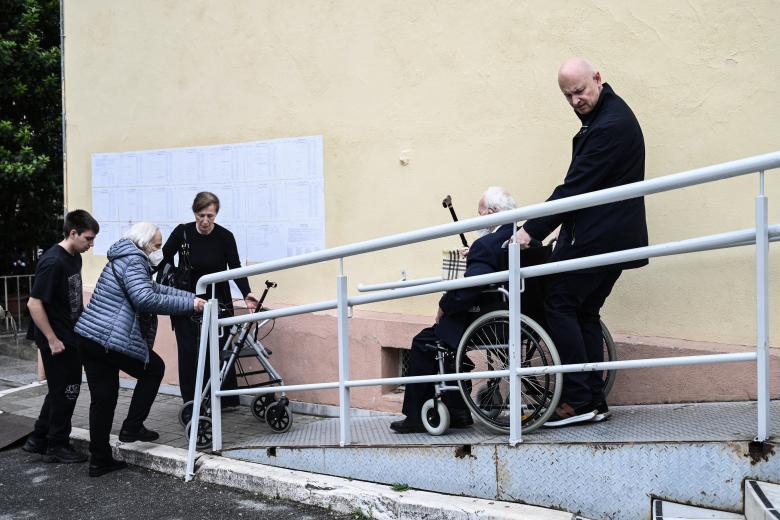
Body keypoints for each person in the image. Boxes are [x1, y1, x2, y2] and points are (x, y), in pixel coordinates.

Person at [515, 58, 649, 427]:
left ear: (599, 79)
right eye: (568, 96)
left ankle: (580, 399)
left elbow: (577, 187)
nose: (575, 100)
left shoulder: (609, 125)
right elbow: (591, 186)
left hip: (601, 238)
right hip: (609, 235)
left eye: (580, 91)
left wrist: (532, 230)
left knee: (559, 304)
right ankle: (591, 398)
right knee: (584, 311)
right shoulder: (607, 118)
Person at [391, 187, 535, 433]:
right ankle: (457, 409)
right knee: (446, 346)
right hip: (522, 318)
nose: (479, 220)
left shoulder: (486, 245)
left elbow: (469, 290)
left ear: (491, 213)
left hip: (489, 322)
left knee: (425, 342)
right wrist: (476, 257)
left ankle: (420, 416)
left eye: (480, 214)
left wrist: (444, 305)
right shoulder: (525, 238)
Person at [74, 222, 206, 477]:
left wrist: (190, 298)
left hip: (91, 337)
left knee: (103, 400)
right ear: (144, 245)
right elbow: (145, 298)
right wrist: (191, 306)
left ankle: (99, 459)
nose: (159, 250)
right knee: (154, 370)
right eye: (157, 245)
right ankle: (132, 427)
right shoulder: (135, 261)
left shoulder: (125, 257)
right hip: (109, 339)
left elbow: (154, 288)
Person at [159, 191, 258, 409]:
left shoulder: (225, 236)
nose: (205, 221)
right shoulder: (182, 232)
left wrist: (246, 293)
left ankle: (225, 400)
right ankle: (193, 403)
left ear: (216, 215)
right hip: (186, 300)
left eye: (210, 216)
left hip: (218, 299)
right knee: (189, 351)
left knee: (220, 347)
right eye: (201, 215)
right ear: (194, 213)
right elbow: (163, 258)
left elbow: (235, 267)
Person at [23, 210, 99, 463]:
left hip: (72, 334)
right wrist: (53, 340)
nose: (91, 244)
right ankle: (57, 445)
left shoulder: (73, 257)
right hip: (58, 340)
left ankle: (38, 438)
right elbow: (34, 304)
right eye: (88, 239)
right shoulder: (53, 261)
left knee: (59, 390)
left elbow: (73, 299)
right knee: (67, 391)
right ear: (73, 233)